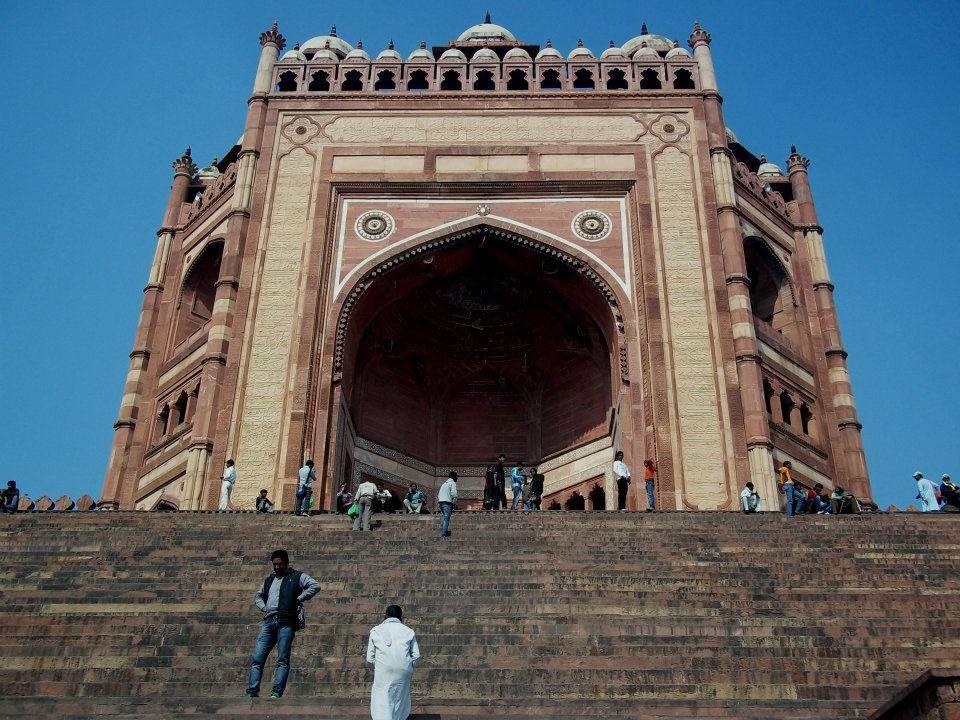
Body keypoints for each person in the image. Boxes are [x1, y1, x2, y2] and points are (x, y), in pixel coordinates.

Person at [245, 549, 320, 698]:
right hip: (269, 621)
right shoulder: (269, 580)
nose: (277, 567)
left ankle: (276, 691)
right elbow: (258, 596)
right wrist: (263, 607)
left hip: (286, 622)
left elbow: (315, 585)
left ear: (286, 563)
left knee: (282, 659)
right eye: (275, 564)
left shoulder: (296, 576)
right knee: (257, 658)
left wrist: (299, 598)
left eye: (280, 564)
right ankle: (252, 691)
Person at [366, 605, 421, 720]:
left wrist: (378, 668)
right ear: (401, 617)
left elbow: (370, 658)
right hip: (404, 669)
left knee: (382, 699)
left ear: (385, 616)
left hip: (383, 668)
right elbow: (416, 656)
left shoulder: (376, 630)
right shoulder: (408, 631)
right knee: (400, 698)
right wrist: (409, 668)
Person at [438, 471, 458, 539]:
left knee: (444, 518)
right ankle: (443, 534)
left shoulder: (444, 484)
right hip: (447, 503)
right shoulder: (452, 483)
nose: (457, 478)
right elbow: (454, 494)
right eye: (456, 477)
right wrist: (454, 502)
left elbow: (439, 494)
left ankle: (443, 531)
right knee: (446, 519)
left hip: (441, 503)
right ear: (454, 477)